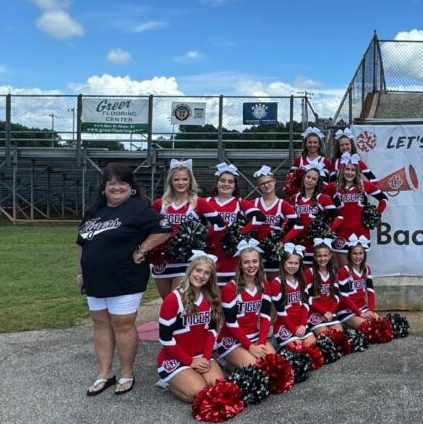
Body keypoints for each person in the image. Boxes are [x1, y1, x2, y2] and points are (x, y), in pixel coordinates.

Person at [77, 164, 171, 396]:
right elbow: (81, 244)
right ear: (104, 188)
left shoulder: (138, 209)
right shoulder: (94, 211)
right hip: (95, 278)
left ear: (131, 188)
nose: (117, 187)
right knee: (100, 323)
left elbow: (164, 228)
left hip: (125, 276)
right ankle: (105, 373)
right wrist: (80, 272)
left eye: (122, 183)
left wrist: (142, 249)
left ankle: (126, 372)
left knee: (123, 324)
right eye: (112, 183)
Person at [156, 251, 225, 403]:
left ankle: (190, 377)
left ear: (210, 278)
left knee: (218, 388)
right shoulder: (173, 299)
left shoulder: (211, 298)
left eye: (206, 273)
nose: (201, 275)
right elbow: (165, 338)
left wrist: (206, 357)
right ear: (190, 271)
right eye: (198, 270)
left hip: (201, 355)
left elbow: (212, 331)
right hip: (175, 358)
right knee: (199, 395)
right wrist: (190, 362)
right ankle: (168, 383)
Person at [151, 159, 210, 298]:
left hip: (187, 260)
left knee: (178, 299)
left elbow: (219, 224)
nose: (181, 183)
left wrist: (199, 239)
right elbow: (149, 228)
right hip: (163, 260)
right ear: (170, 181)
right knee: (167, 301)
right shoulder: (159, 204)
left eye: (185, 179)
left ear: (190, 181)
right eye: (176, 179)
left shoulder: (198, 203)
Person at [217, 240, 275, 368]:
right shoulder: (230, 288)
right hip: (231, 339)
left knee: (274, 365)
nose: (251, 265)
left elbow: (265, 316)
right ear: (240, 265)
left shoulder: (265, 286)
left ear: (259, 263)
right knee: (257, 368)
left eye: (254, 261)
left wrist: (261, 343)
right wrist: (250, 347)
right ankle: (226, 358)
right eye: (246, 262)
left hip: (255, 336)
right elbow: (231, 323)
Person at [330, 153, 388, 269]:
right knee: (343, 270)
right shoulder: (334, 187)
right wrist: (330, 222)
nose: (350, 172)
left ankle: (361, 288)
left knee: (359, 270)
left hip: (361, 232)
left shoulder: (364, 185)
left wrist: (375, 215)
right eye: (347, 169)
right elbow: (322, 201)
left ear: (357, 172)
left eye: (353, 170)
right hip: (341, 232)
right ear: (342, 170)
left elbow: (384, 199)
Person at [244, 165, 301, 275]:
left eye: (269, 181)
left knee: (274, 280)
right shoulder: (252, 203)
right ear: (258, 186)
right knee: (257, 281)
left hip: (273, 250)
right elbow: (240, 223)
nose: (266, 185)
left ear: (274, 181)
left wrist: (283, 241)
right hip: (255, 250)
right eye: (262, 183)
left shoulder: (282, 204)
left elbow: (299, 225)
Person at [292, 163, 343, 266]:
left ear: (317, 183)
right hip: (300, 243)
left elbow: (339, 217)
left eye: (314, 179)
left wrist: (328, 230)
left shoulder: (323, 198)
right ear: (304, 178)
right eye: (308, 177)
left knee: (316, 274)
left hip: (316, 244)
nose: (309, 180)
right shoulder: (296, 198)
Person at [268, 243, 316, 348]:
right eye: (290, 263)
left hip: (301, 323)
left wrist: (303, 324)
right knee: (298, 348)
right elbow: (280, 311)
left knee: (312, 347)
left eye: (296, 263)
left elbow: (306, 304)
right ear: (283, 263)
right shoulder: (276, 283)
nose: (293, 266)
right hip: (284, 325)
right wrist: (293, 329)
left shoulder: (302, 280)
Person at [205, 162, 245, 283]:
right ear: (217, 183)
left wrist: (240, 233)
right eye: (222, 180)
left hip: (232, 257)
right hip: (210, 254)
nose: (226, 184)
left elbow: (258, 220)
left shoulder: (240, 202)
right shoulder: (206, 202)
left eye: (230, 181)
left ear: (235, 186)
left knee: (231, 295)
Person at [336, 235, 379, 329]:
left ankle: (354, 324)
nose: (358, 256)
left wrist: (370, 311)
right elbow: (344, 296)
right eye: (354, 253)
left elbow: (371, 292)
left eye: (360, 253)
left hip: (363, 307)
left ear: (364, 255)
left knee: (380, 324)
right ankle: (347, 323)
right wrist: (360, 313)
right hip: (346, 310)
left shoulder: (366, 269)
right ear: (349, 255)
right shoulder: (344, 271)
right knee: (368, 327)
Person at [308, 239, 344, 334]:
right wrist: (323, 312)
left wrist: (330, 312)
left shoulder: (333, 272)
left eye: (325, 255)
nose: (322, 258)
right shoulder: (309, 273)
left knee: (339, 336)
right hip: (315, 313)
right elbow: (307, 298)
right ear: (315, 257)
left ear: (330, 256)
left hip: (330, 312)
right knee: (326, 337)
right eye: (319, 256)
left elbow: (336, 296)